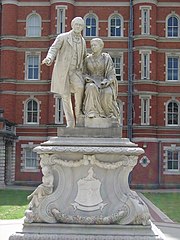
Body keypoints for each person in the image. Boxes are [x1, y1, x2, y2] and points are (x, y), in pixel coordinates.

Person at [42, 17, 87, 128]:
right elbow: (53, 49)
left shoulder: (82, 41)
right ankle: (70, 123)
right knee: (65, 96)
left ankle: (79, 118)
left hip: (76, 71)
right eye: (76, 24)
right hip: (63, 71)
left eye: (80, 25)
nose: (78, 27)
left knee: (80, 88)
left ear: (82, 27)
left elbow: (85, 57)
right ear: (72, 25)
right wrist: (49, 58)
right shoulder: (63, 37)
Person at [83, 38, 120, 120]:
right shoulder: (87, 59)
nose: (93, 47)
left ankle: (108, 113)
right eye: (92, 45)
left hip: (103, 81)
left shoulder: (106, 58)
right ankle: (91, 111)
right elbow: (83, 72)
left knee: (108, 92)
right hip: (91, 80)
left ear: (101, 46)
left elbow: (111, 73)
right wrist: (87, 78)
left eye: (95, 45)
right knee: (91, 87)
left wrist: (107, 81)